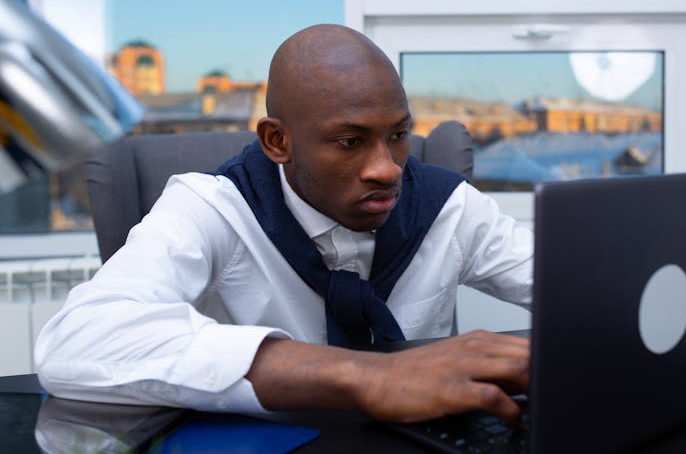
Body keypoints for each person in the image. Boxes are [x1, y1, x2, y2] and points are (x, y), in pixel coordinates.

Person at [35, 24, 533, 425]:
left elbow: (585, 290)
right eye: (349, 140)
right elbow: (77, 342)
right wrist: (370, 376)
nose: (387, 168)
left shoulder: (450, 207)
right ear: (277, 141)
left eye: (398, 134)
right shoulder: (211, 208)